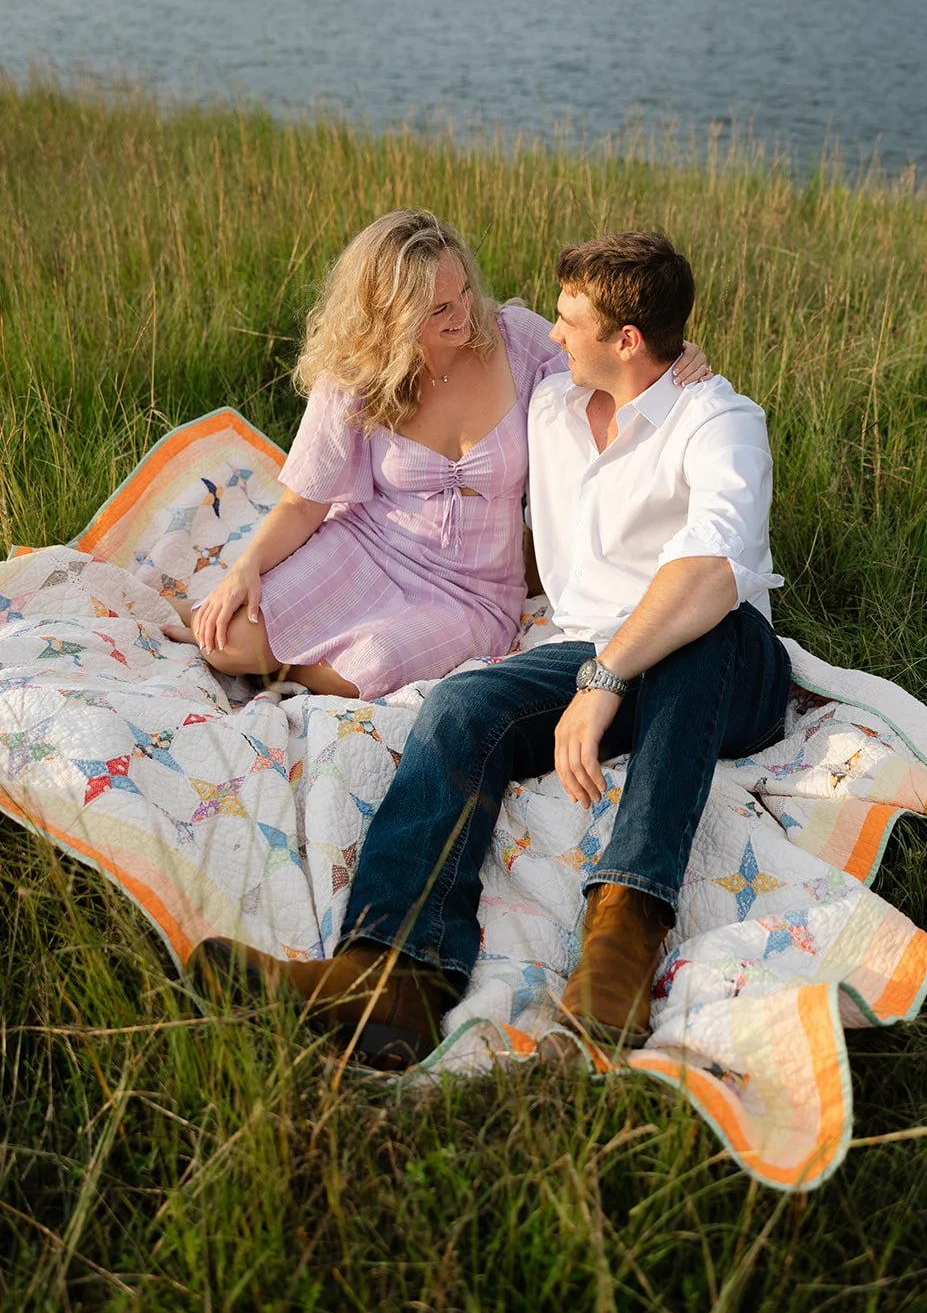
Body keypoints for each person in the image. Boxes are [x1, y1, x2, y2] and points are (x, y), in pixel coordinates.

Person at [189, 231, 790, 1069]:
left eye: (568, 320)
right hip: (589, 650)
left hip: (728, 671)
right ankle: (391, 973)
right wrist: (594, 670)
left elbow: (712, 569)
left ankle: (621, 941)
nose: (548, 333)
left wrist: (607, 677)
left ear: (624, 341)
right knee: (462, 704)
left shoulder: (719, 419)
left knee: (698, 623)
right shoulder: (548, 409)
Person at [176, 207, 709, 698]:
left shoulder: (517, 343)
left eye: (464, 294)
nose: (463, 315)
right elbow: (304, 503)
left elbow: (616, 356)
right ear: (390, 315)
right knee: (224, 642)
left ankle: (291, 670)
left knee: (375, 666)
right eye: (438, 309)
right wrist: (246, 568)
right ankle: (282, 648)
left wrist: (676, 351)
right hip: (368, 543)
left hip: (470, 592)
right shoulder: (356, 373)